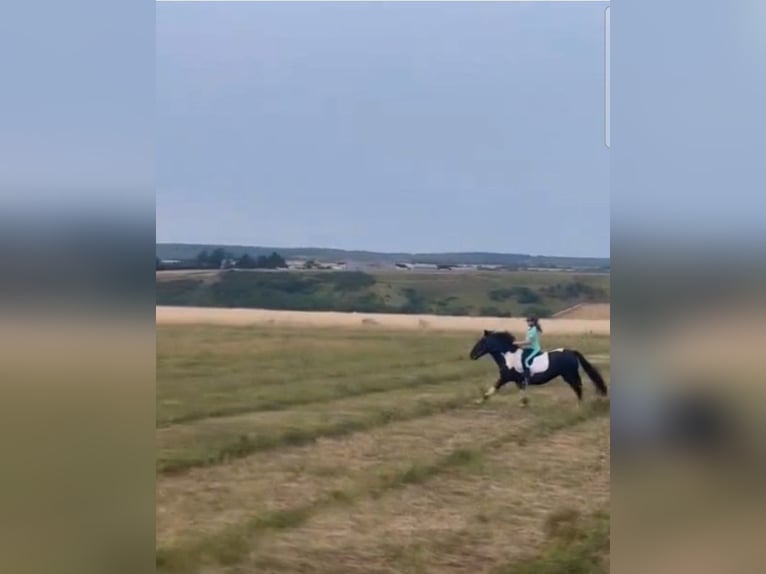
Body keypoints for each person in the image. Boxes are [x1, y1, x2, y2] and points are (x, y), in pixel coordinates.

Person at [517, 315, 543, 387]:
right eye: (527, 321)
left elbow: (528, 342)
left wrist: (517, 343)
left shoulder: (534, 329)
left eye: (529, 321)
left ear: (533, 322)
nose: (528, 322)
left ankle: (528, 379)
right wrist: (521, 346)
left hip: (534, 349)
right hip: (529, 348)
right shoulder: (530, 329)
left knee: (526, 360)